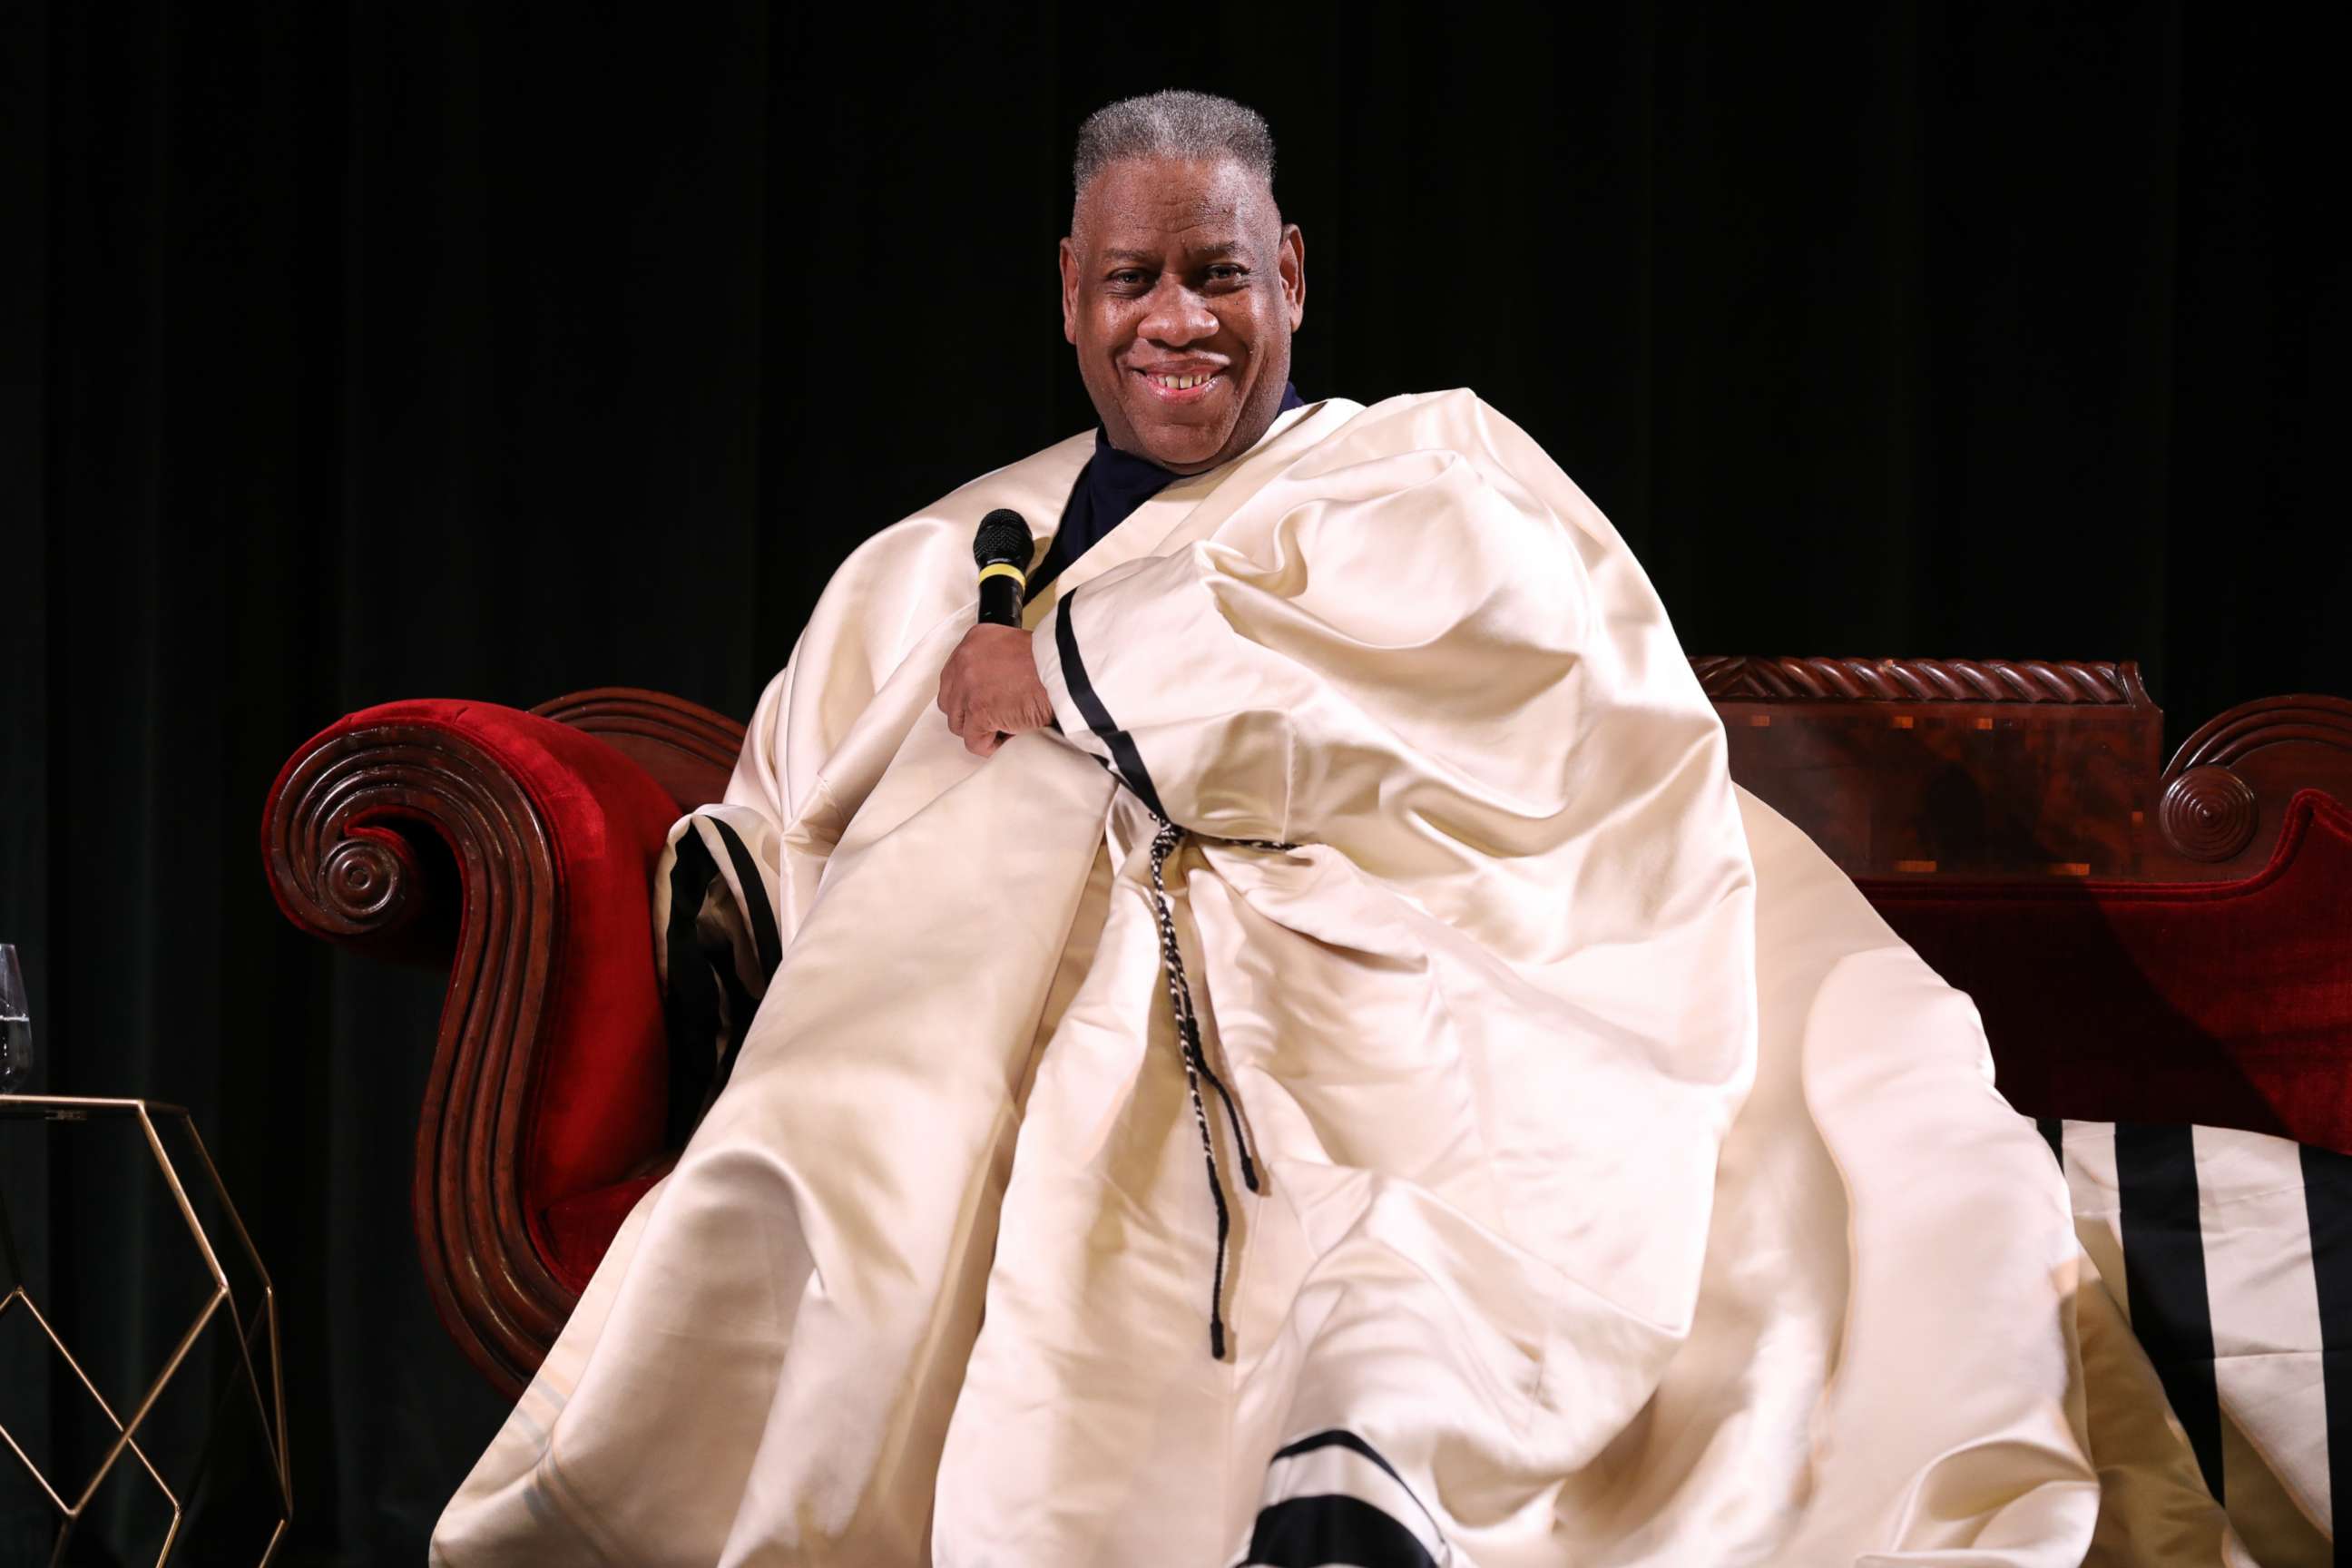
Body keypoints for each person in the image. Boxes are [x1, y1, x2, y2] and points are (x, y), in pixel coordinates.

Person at [431, 92, 2234, 1568]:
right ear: (1067, 293)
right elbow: (783, 813)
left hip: (1429, 958)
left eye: (1218, 272)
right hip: (1071, 1002)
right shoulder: (945, 551)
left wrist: (1086, 678)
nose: (1177, 319)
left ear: (1289, 272)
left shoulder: (1426, 474)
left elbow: (1531, 705)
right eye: (1132, 278)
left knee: (1757, 1167)